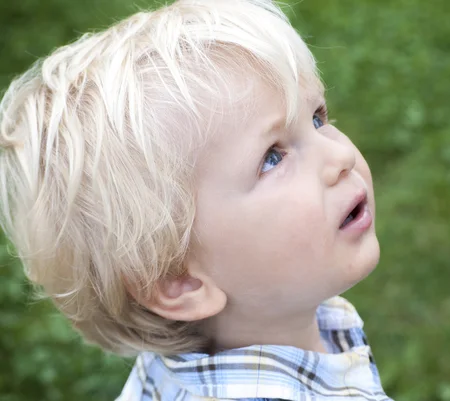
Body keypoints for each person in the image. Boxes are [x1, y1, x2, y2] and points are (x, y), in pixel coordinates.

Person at [0, 0, 391, 399]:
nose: (340, 156)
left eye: (317, 118)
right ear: (180, 281)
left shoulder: (284, 313)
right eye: (271, 158)